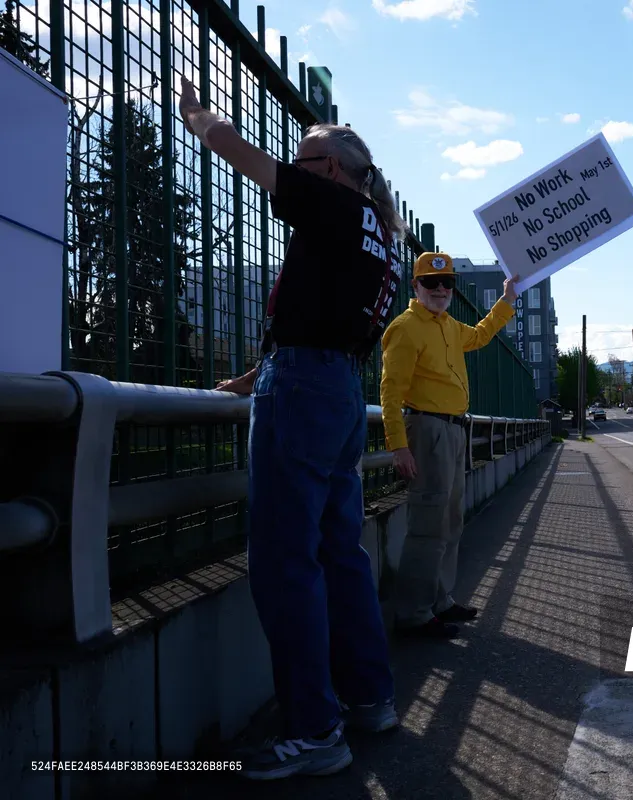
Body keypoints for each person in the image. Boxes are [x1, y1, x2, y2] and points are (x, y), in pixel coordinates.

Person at [178, 77, 401, 780]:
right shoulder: (386, 238)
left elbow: (244, 157)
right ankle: (370, 699)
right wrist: (255, 376)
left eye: (302, 158)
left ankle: (315, 729)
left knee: (283, 561)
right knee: (340, 554)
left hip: (303, 393)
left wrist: (200, 117)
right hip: (336, 392)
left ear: (330, 170)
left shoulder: (334, 203)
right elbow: (325, 314)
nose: (291, 166)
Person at [380, 253, 518, 639]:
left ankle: (439, 600)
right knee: (427, 525)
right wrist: (399, 445)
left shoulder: (447, 325)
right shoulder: (405, 328)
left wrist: (507, 299)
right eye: (431, 283)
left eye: (447, 284)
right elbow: (390, 390)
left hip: (453, 430)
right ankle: (413, 614)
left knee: (451, 520)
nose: (441, 289)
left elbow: (480, 335)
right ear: (415, 286)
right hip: (426, 429)